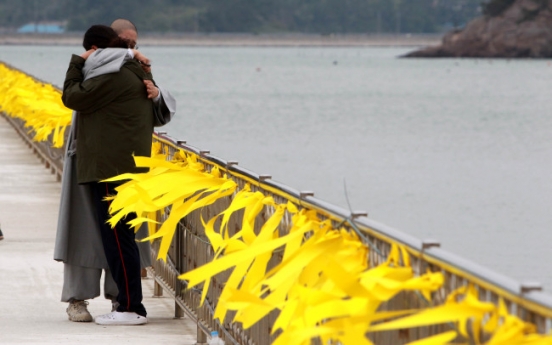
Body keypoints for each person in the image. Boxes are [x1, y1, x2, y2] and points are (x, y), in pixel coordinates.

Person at [57, 24, 175, 325]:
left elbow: (72, 96)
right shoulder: (136, 70)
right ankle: (126, 304)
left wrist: (77, 62)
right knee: (121, 237)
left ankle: (130, 308)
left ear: (96, 51)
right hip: (126, 166)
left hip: (111, 168)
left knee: (118, 238)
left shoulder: (110, 74)